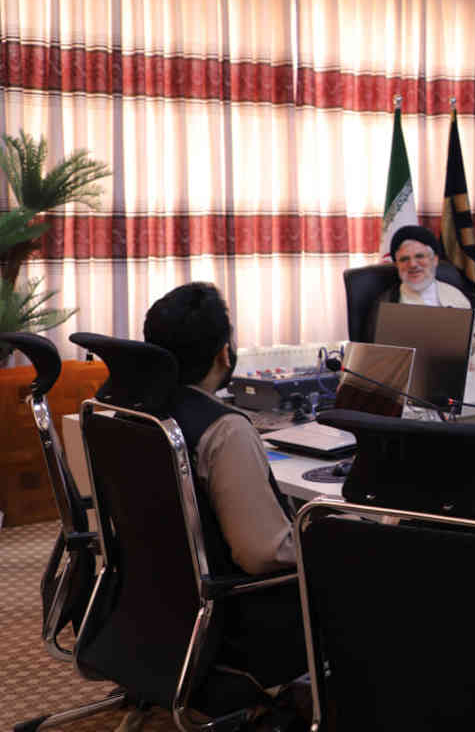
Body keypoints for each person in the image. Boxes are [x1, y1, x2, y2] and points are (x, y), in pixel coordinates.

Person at [142, 282, 308, 691]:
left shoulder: (136, 411)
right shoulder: (225, 430)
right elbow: (262, 554)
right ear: (223, 353)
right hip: (240, 621)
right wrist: (330, 536)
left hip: (156, 609)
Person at [366, 224, 475, 398]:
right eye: (404, 259)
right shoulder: (387, 304)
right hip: (411, 389)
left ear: (434, 260)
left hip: (468, 384)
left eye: (419, 256)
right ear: (397, 265)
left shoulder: (458, 295)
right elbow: (380, 362)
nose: (413, 264)